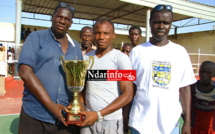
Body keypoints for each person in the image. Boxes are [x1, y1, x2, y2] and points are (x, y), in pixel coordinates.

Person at [129, 4, 197, 134]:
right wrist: (125, 116)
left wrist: (187, 123)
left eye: (166, 23)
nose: (161, 26)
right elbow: (130, 87)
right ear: (150, 23)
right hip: (140, 123)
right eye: (157, 22)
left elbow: (184, 88)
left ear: (171, 24)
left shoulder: (180, 52)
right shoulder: (137, 52)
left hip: (170, 125)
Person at [17, 2, 82, 134]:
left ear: (71, 23)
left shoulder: (75, 47)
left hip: (64, 117)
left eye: (67, 19)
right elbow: (25, 72)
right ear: (52, 17)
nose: (62, 21)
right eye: (59, 17)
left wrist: (78, 101)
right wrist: (51, 105)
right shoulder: (36, 38)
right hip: (35, 115)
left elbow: (78, 79)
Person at [77, 19, 133, 134]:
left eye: (106, 33)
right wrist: (81, 107)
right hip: (88, 119)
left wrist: (98, 115)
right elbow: (80, 90)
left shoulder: (122, 58)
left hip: (110, 121)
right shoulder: (86, 58)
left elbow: (128, 94)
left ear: (113, 35)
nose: (101, 37)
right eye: (98, 33)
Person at [191, 61, 215, 134]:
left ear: (213, 75)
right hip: (194, 129)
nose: (204, 75)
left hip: (212, 130)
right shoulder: (192, 88)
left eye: (208, 73)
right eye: (202, 72)